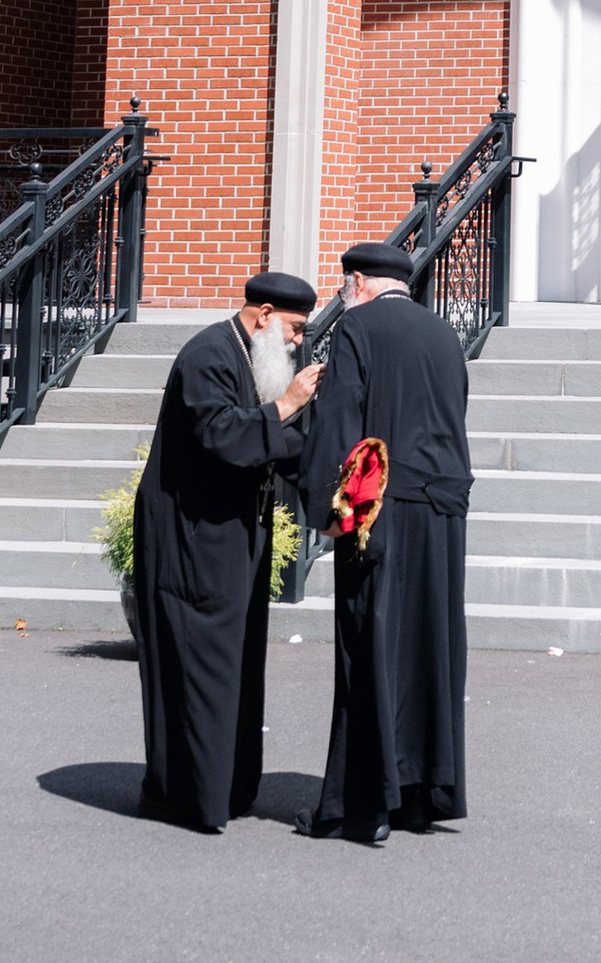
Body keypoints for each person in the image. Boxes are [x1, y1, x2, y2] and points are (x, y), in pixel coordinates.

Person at [128, 269, 321, 834]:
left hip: (233, 537)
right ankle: (188, 797)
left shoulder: (252, 357)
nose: (296, 342)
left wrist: (333, 480)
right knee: (200, 660)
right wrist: (287, 403)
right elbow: (223, 436)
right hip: (190, 536)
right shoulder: (208, 355)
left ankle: (230, 788)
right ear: (263, 315)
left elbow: (276, 444)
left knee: (234, 662)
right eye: (293, 329)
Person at [298, 243, 474, 844]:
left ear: (359, 281)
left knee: (368, 646)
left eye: (347, 283)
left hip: (379, 508)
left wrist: (325, 508)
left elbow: (341, 422)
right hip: (443, 511)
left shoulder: (357, 327)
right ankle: (422, 796)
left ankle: (363, 804)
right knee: (430, 647)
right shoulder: (445, 335)